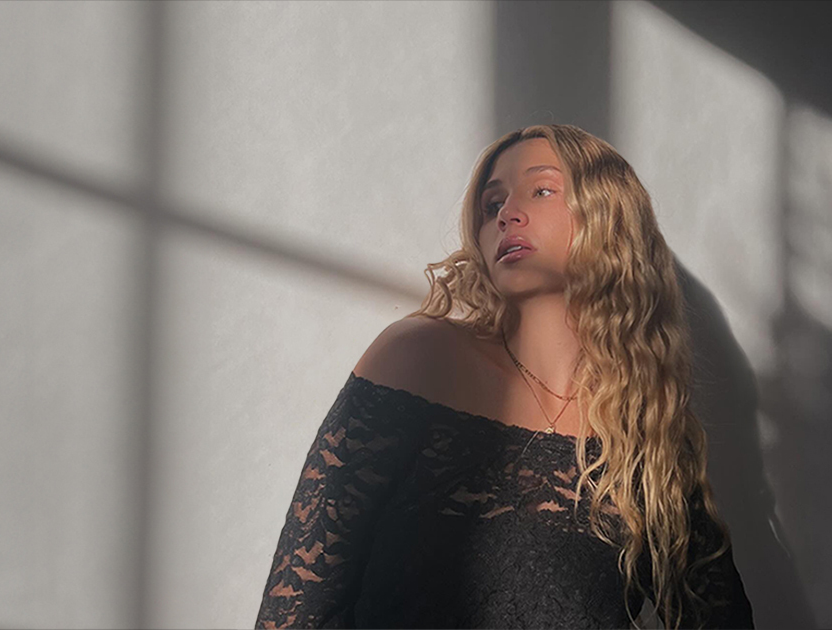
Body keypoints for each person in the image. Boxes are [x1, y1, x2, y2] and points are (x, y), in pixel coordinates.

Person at [255, 124, 754, 629]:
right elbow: (295, 609)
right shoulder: (421, 359)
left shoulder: (647, 436)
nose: (507, 215)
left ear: (610, 217)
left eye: (542, 191)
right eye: (492, 204)